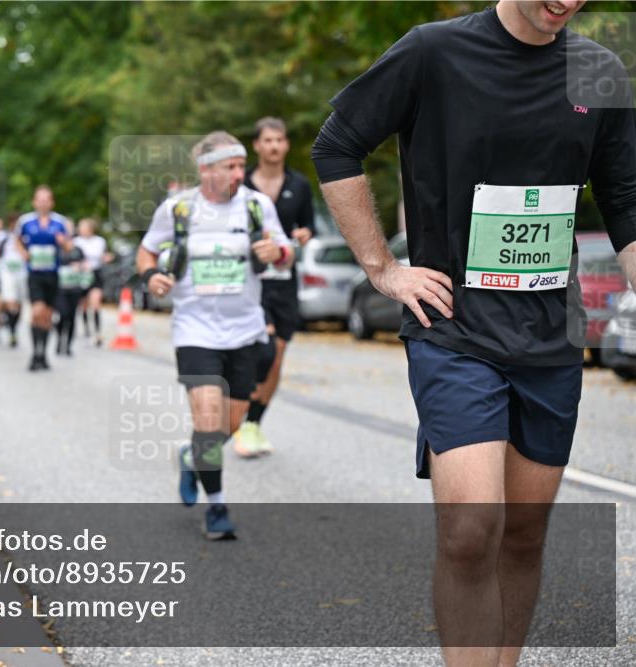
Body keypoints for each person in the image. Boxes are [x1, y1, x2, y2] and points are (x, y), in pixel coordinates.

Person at [311, 1, 636, 664]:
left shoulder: (599, 71)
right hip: (453, 328)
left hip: (550, 334)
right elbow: (336, 142)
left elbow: (625, 204)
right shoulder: (433, 52)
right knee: (469, 527)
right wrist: (382, 268)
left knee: (522, 532)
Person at [137, 131, 292, 540]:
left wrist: (277, 252)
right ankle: (217, 505)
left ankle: (192, 457)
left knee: (231, 422)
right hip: (195, 331)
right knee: (208, 422)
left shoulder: (258, 206)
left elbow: (285, 249)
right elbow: (146, 251)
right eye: (232, 167)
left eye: (242, 166)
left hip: (245, 331)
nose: (241, 174)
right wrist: (151, 276)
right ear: (207, 170)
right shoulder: (178, 209)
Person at [234, 116, 315, 457]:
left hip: (283, 281)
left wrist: (302, 236)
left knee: (278, 355)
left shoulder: (299, 184)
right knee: (262, 349)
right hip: (249, 280)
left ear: (286, 145)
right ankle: (239, 414)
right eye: (267, 140)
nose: (273, 146)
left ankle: (252, 423)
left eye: (279, 140)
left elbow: (308, 227)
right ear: (257, 145)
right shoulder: (241, 186)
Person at [15, 186, 73, 371]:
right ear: (34, 202)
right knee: (36, 312)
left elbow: (69, 247)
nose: (43, 203)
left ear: (51, 202)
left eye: (46, 199)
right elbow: (16, 240)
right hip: (34, 274)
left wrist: (63, 243)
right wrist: (23, 253)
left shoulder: (60, 222)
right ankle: (34, 353)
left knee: (47, 317)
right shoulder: (25, 221)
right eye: (39, 199)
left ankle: (43, 355)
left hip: (52, 274)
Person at [75, 218, 114, 347]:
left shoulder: (99, 241)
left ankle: (97, 332)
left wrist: (106, 258)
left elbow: (104, 255)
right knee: (84, 304)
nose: (81, 229)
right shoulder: (76, 242)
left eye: (83, 227)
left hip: (95, 273)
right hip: (81, 274)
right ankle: (87, 330)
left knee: (96, 302)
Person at [0, 213, 28, 348]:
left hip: (22, 272)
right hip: (7, 271)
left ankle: (13, 328)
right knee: (9, 301)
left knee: (19, 304)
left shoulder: (25, 237)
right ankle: (8, 320)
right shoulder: (3, 236)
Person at [54, 245, 90, 356]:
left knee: (72, 317)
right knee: (63, 315)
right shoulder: (57, 249)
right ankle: (60, 339)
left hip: (74, 288)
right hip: (60, 289)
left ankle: (68, 346)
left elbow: (86, 265)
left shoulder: (78, 250)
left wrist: (80, 266)